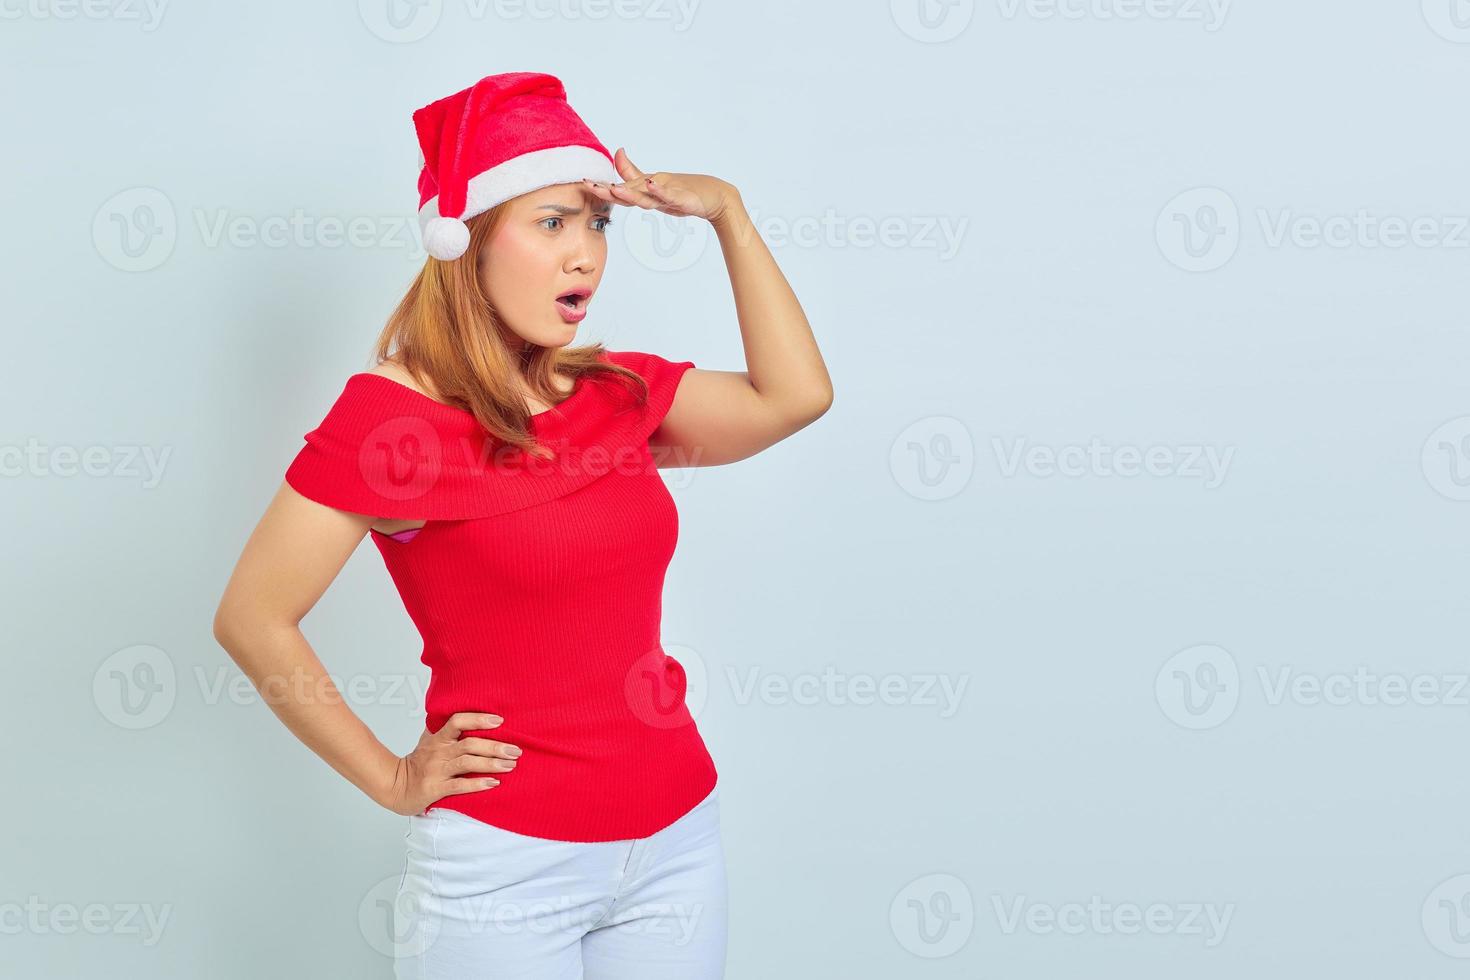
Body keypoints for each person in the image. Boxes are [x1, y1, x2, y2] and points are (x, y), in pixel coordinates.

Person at [212, 70, 832, 978]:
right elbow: (252, 617)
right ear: (466, 241)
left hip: (676, 845)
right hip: (504, 870)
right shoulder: (390, 424)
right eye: (552, 222)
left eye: (597, 221)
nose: (586, 253)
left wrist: (728, 215)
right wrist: (392, 777)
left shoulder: (613, 392)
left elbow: (796, 396)